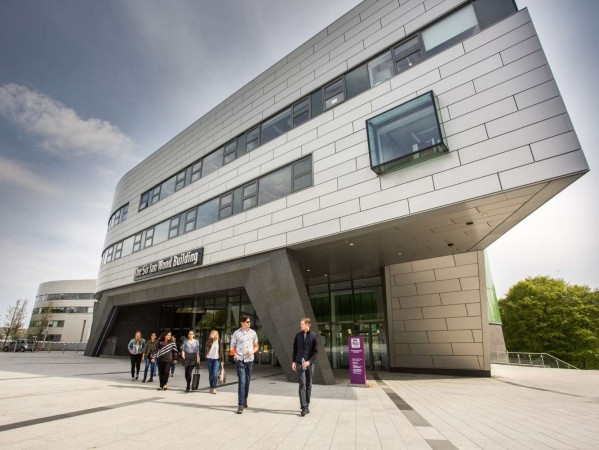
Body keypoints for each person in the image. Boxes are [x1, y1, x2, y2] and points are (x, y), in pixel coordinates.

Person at [230, 315, 258, 414]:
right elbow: (232, 346)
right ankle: (240, 404)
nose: (249, 323)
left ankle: (245, 399)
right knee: (242, 381)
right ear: (242, 323)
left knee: (247, 381)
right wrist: (236, 354)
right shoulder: (236, 333)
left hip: (249, 360)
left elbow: (256, 345)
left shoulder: (253, 333)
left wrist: (253, 351)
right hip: (240, 360)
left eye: (249, 322)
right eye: (247, 322)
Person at [291, 318, 319, 416]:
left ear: (307, 324)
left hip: (309, 364)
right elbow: (294, 349)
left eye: (302, 324)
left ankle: (307, 404)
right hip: (299, 362)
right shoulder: (298, 335)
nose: (300, 325)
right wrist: (293, 361)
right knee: (302, 384)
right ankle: (303, 407)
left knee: (309, 385)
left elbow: (316, 352)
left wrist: (309, 362)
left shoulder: (314, 336)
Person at [205, 329, 224, 394]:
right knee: (211, 374)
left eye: (213, 333)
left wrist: (222, 360)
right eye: (211, 333)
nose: (212, 334)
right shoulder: (209, 341)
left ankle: (214, 388)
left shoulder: (219, 341)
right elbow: (207, 346)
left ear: (216, 334)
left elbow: (221, 351)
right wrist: (211, 339)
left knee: (214, 373)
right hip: (209, 359)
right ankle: (211, 387)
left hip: (217, 359)